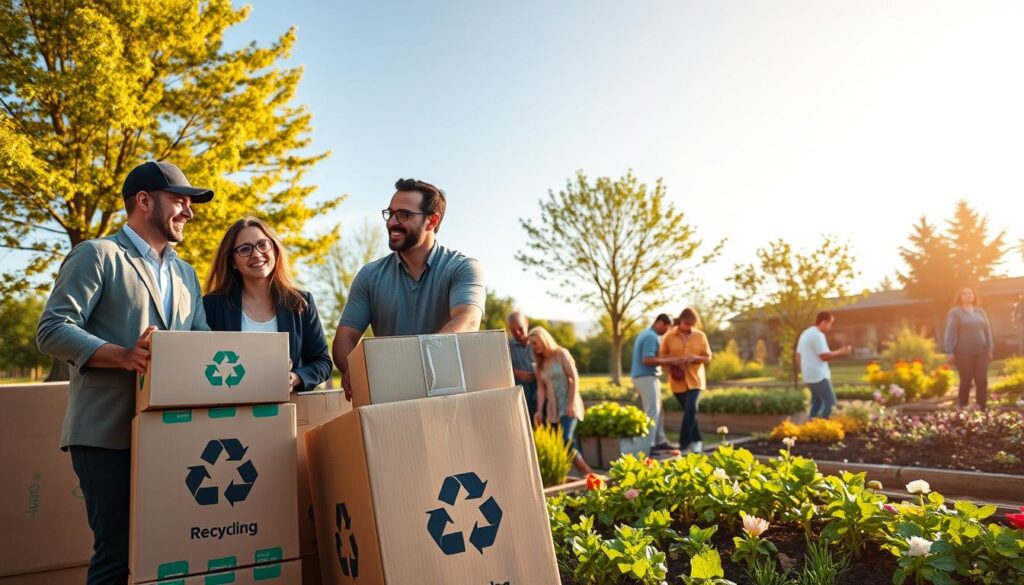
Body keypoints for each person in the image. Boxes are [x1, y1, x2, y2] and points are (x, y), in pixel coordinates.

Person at [36, 161, 213, 584]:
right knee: (116, 556)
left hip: (168, 436)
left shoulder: (186, 274)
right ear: (145, 201)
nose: (188, 212)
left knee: (162, 552)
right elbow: (52, 329)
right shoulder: (97, 254)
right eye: (179, 201)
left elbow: (202, 342)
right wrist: (123, 355)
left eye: (190, 204)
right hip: (105, 435)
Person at [332, 178, 486, 401]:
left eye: (403, 215)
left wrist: (412, 371)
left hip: (448, 395)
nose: (391, 222)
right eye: (390, 213)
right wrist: (351, 371)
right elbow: (345, 337)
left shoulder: (463, 268)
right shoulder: (369, 276)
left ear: (431, 221)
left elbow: (467, 323)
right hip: (389, 396)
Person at [203, 217, 332, 391]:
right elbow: (200, 361)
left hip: (285, 410)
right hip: (229, 411)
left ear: (274, 249)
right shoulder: (212, 306)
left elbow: (322, 362)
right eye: (245, 249)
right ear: (232, 261)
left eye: (263, 244)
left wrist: (295, 378)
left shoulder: (301, 303)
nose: (256, 254)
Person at [529, 326, 592, 475]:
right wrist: (539, 410)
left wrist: (571, 403)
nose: (533, 347)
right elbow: (541, 389)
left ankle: (588, 473)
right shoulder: (539, 364)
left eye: (535, 343)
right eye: (531, 344)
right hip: (554, 408)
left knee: (565, 439)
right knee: (564, 442)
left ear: (543, 340)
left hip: (569, 404)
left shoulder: (561, 354)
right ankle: (577, 477)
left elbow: (574, 377)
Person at [659, 308, 712, 453]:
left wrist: (694, 358)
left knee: (692, 408)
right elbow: (662, 357)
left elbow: (708, 357)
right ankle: (697, 440)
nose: (688, 327)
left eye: (692, 325)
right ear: (680, 320)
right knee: (689, 413)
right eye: (686, 324)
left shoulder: (700, 336)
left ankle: (683, 445)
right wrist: (676, 361)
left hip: (696, 380)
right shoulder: (669, 336)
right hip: (677, 381)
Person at [630, 313, 679, 454]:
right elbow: (647, 359)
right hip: (645, 377)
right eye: (666, 328)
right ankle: (650, 445)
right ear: (659, 323)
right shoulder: (650, 337)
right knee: (652, 412)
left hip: (645, 377)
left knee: (658, 411)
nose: (667, 331)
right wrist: (671, 361)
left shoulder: (646, 334)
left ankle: (660, 441)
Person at [944, 286, 994, 409]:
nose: (968, 295)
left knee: (982, 380)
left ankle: (981, 409)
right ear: (960, 297)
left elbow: (988, 331)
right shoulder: (955, 313)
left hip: (982, 351)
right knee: (966, 382)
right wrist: (949, 351)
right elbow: (950, 332)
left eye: (970, 293)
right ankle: (962, 410)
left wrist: (990, 349)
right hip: (963, 353)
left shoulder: (980, 312)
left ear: (974, 296)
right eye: (964, 293)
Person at [795, 311, 852, 419]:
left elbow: (797, 354)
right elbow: (824, 356)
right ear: (824, 322)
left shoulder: (805, 333)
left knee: (817, 403)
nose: (830, 327)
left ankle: (810, 428)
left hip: (809, 376)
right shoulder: (818, 335)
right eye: (830, 323)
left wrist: (803, 371)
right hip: (819, 376)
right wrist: (842, 351)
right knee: (831, 403)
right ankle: (820, 427)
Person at [507, 311, 538, 421]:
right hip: (521, 397)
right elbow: (497, 369)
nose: (518, 333)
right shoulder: (506, 346)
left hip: (541, 394)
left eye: (520, 329)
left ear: (526, 323)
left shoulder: (539, 342)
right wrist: (517, 373)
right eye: (514, 331)